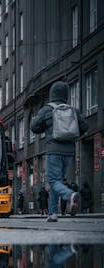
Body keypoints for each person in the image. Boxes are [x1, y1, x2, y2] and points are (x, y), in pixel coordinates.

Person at [31, 81, 88, 222]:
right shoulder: (72, 110)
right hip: (69, 152)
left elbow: (34, 127)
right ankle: (52, 213)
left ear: (52, 94)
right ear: (66, 95)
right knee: (56, 182)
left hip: (54, 151)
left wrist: (45, 128)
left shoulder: (47, 110)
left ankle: (70, 195)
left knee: (53, 181)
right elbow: (84, 126)